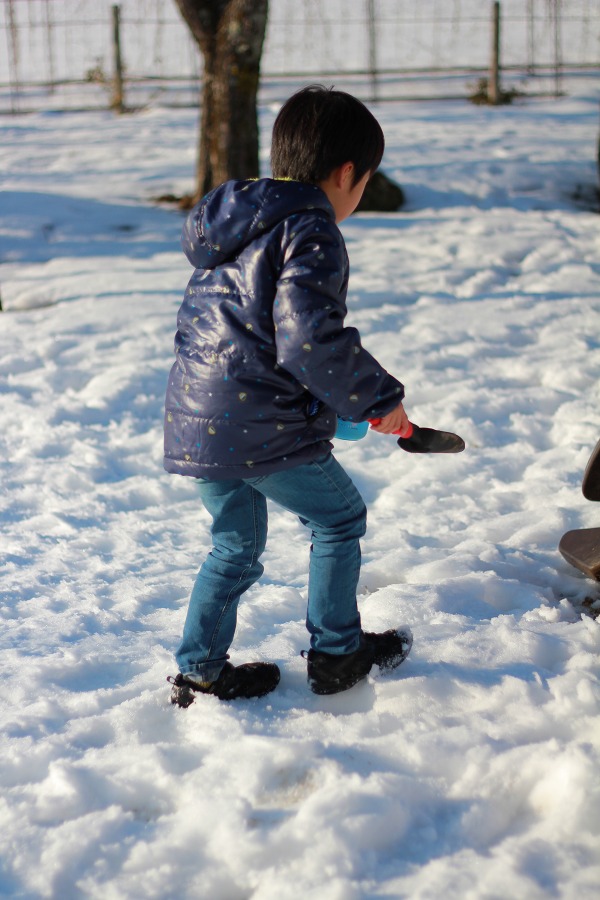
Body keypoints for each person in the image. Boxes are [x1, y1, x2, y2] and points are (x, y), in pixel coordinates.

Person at [164, 85, 412, 707]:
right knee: (339, 518)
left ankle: (200, 670)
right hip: (262, 428)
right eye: (364, 184)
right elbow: (309, 340)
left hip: (199, 422)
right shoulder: (310, 229)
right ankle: (336, 654)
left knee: (235, 545)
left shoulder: (233, 226)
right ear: (347, 173)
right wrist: (377, 399)